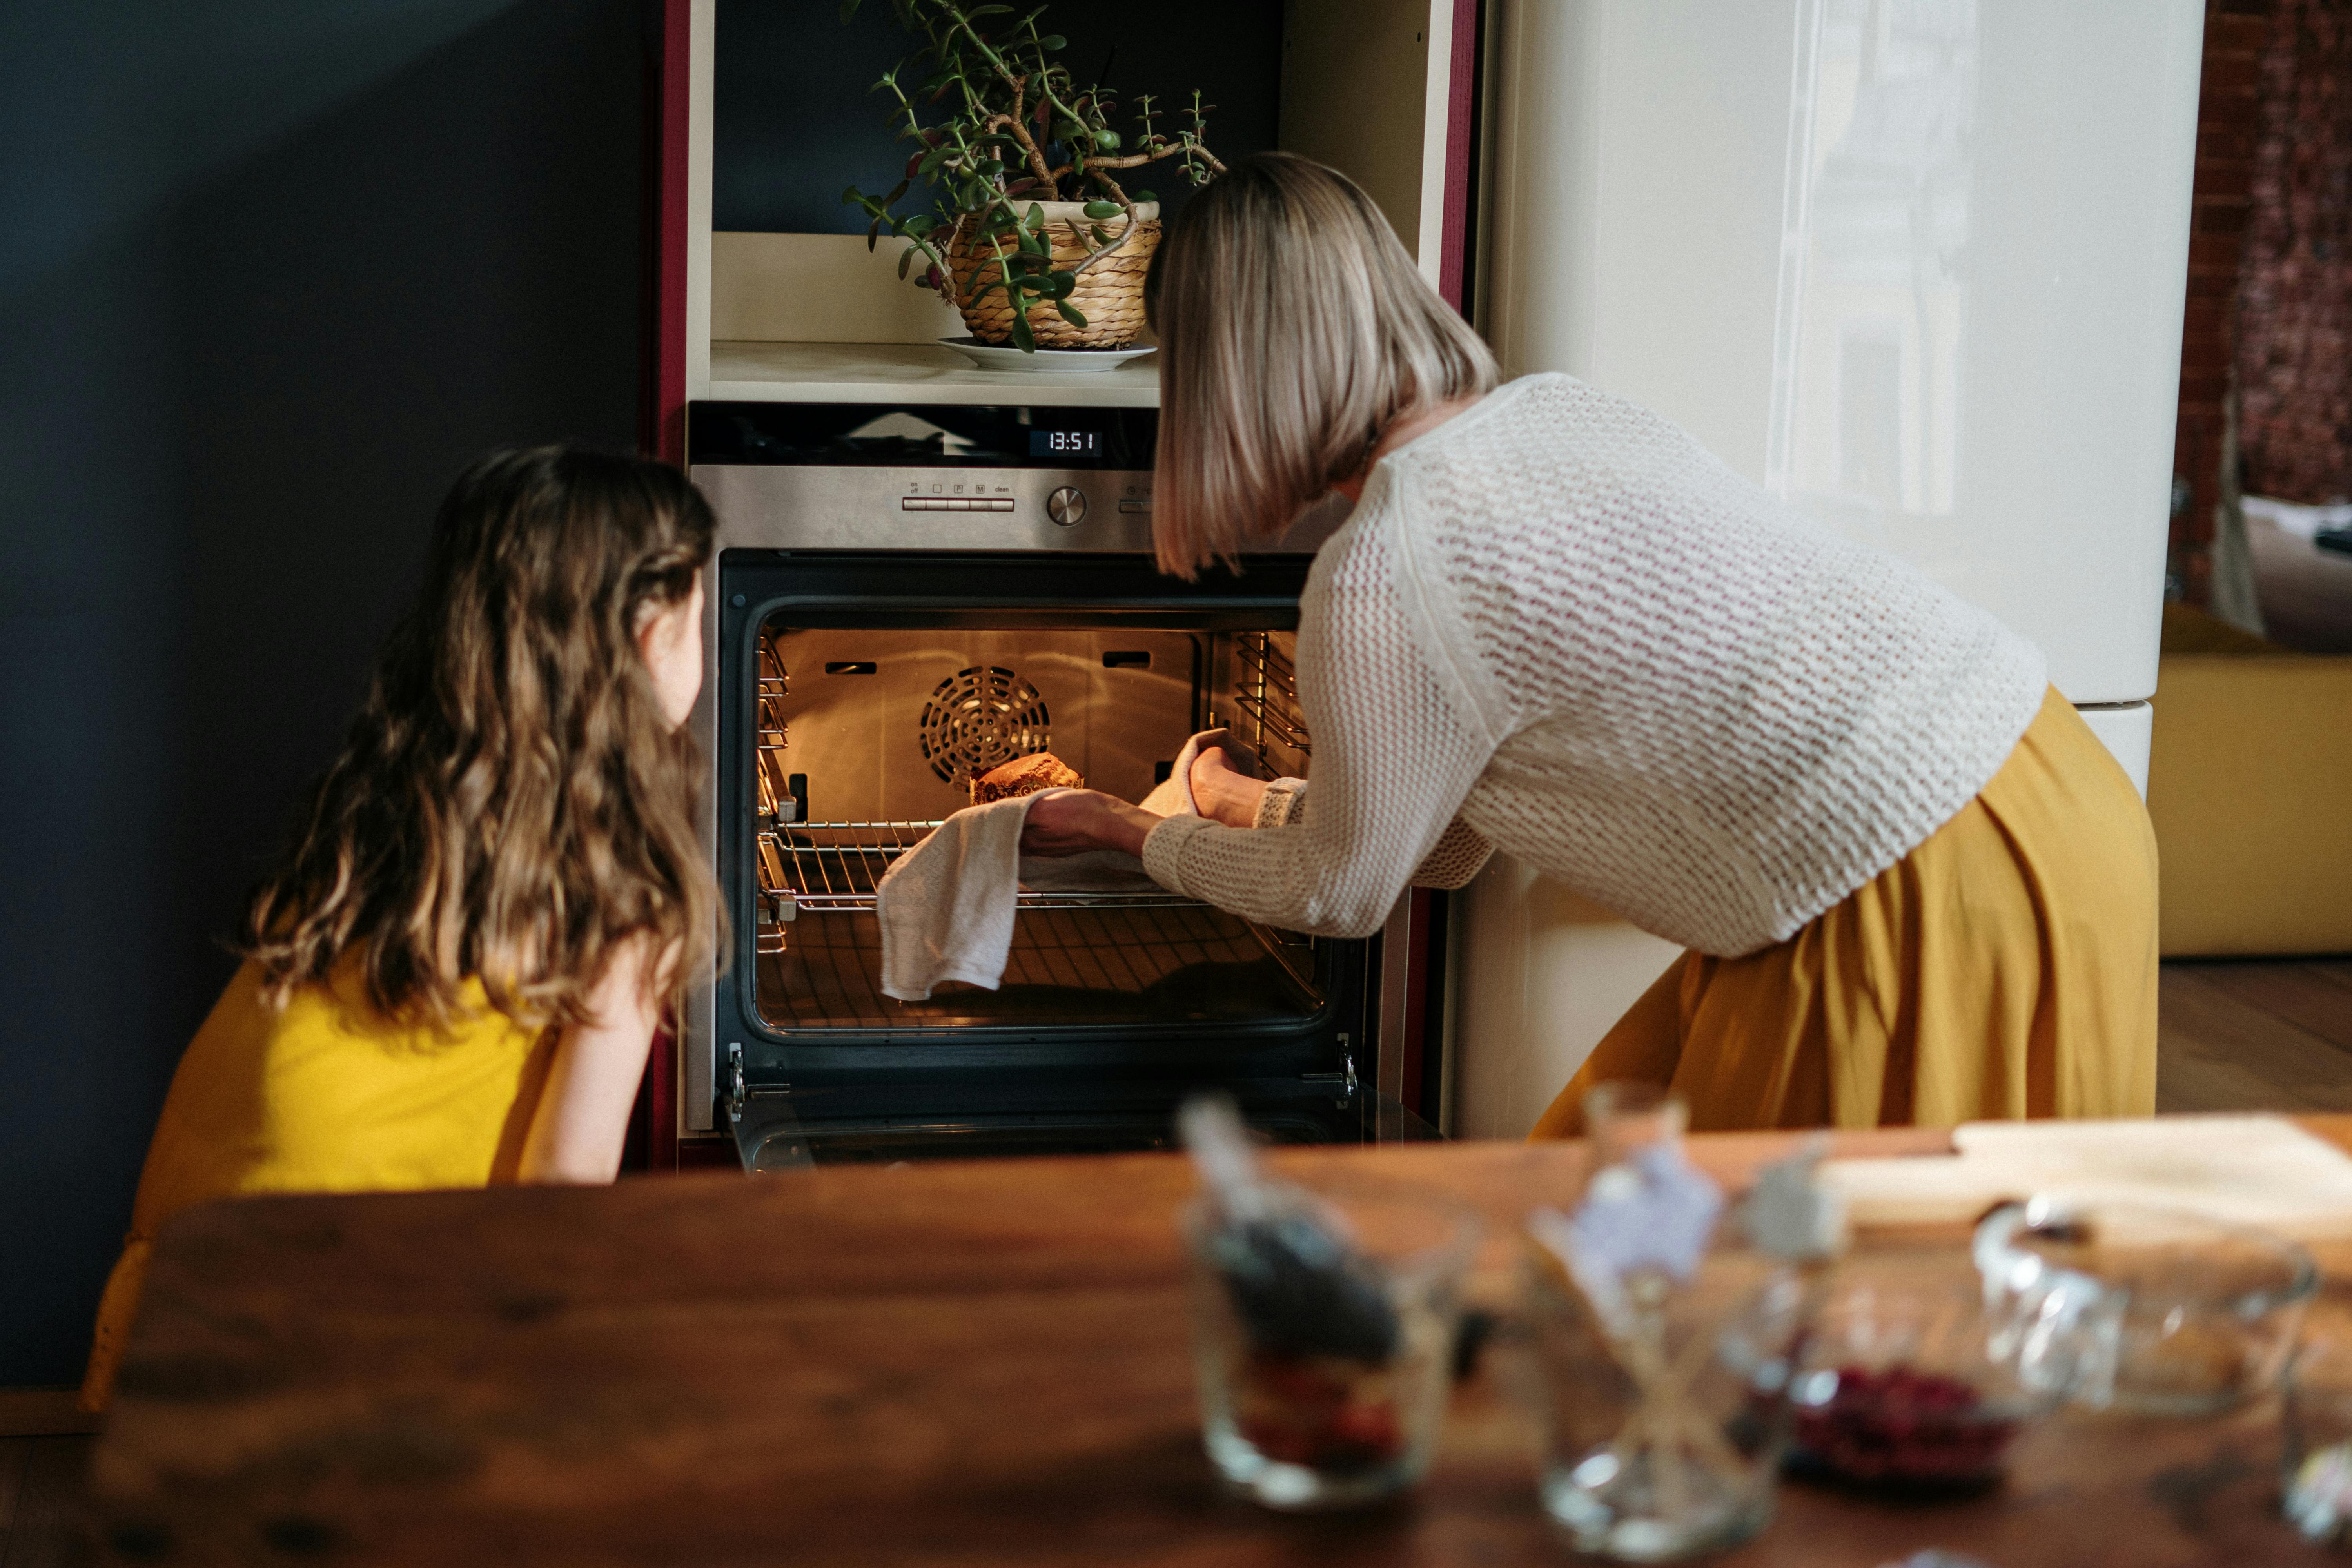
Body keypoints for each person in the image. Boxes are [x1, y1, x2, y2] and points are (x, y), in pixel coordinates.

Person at [1022, 151, 2158, 1136]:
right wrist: (1227, 802)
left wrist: (1121, 830)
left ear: (1229, 374)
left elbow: (1342, 897)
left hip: (1907, 898)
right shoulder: (1563, 415)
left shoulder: (1382, 570)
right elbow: (1445, 843)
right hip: (2053, 797)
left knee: (1807, 1316)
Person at [79, 446, 717, 1410]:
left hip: (196, 1274)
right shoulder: (623, 890)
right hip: (361, 1314)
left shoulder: (387, 797)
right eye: (703, 614)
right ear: (645, 631)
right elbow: (565, 1184)